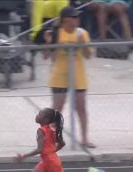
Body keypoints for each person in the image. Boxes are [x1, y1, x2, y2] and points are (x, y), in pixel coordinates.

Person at [43, 6, 96, 148]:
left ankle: (84, 139)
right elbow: (47, 56)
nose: (77, 19)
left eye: (77, 17)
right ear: (65, 20)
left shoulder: (82, 33)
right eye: (74, 17)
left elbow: (88, 56)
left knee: (81, 107)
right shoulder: (56, 33)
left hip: (78, 76)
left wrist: (82, 44)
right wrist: (50, 43)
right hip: (60, 76)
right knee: (57, 108)